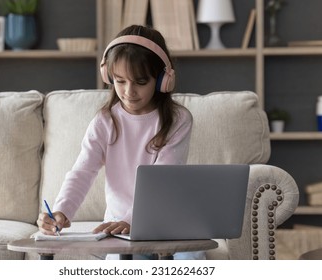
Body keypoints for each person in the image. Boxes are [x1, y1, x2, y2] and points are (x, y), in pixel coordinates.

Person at [37, 25, 204, 259]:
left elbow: (162, 179)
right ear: (108, 76)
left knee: (191, 259)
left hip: (168, 222)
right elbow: (82, 171)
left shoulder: (178, 120)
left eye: (140, 82)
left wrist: (131, 220)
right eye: (119, 80)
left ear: (163, 80)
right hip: (118, 228)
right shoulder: (105, 121)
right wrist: (61, 211)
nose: (129, 91)